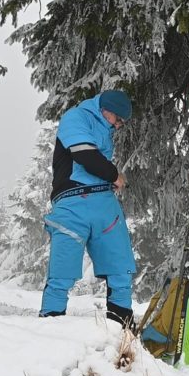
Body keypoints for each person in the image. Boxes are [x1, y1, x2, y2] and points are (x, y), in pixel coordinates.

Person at [39, 90, 136, 329]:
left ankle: (121, 333)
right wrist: (115, 175)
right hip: (72, 204)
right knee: (62, 273)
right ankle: (49, 332)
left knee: (120, 268)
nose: (118, 126)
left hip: (104, 203)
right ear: (107, 110)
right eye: (118, 120)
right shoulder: (76, 117)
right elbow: (84, 154)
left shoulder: (106, 128)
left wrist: (109, 181)